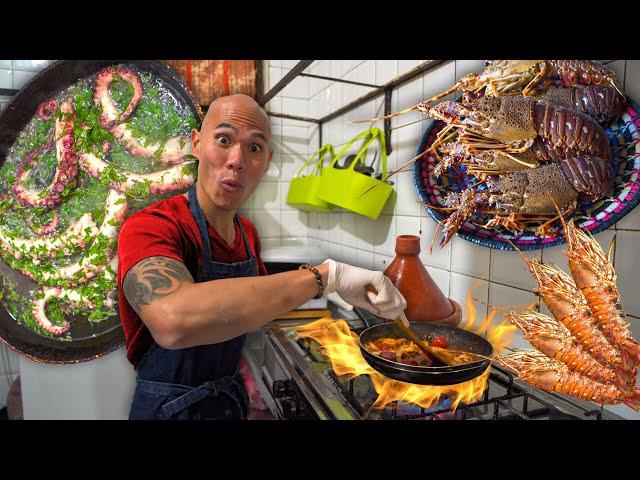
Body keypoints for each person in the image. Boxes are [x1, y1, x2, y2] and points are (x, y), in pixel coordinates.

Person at [117, 94, 408, 420]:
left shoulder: (247, 234)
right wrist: (326, 277)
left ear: (266, 160)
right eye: (223, 139)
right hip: (169, 411)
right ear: (197, 144)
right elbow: (173, 321)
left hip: (229, 404)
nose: (237, 159)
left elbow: (241, 310)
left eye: (254, 148)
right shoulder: (152, 227)